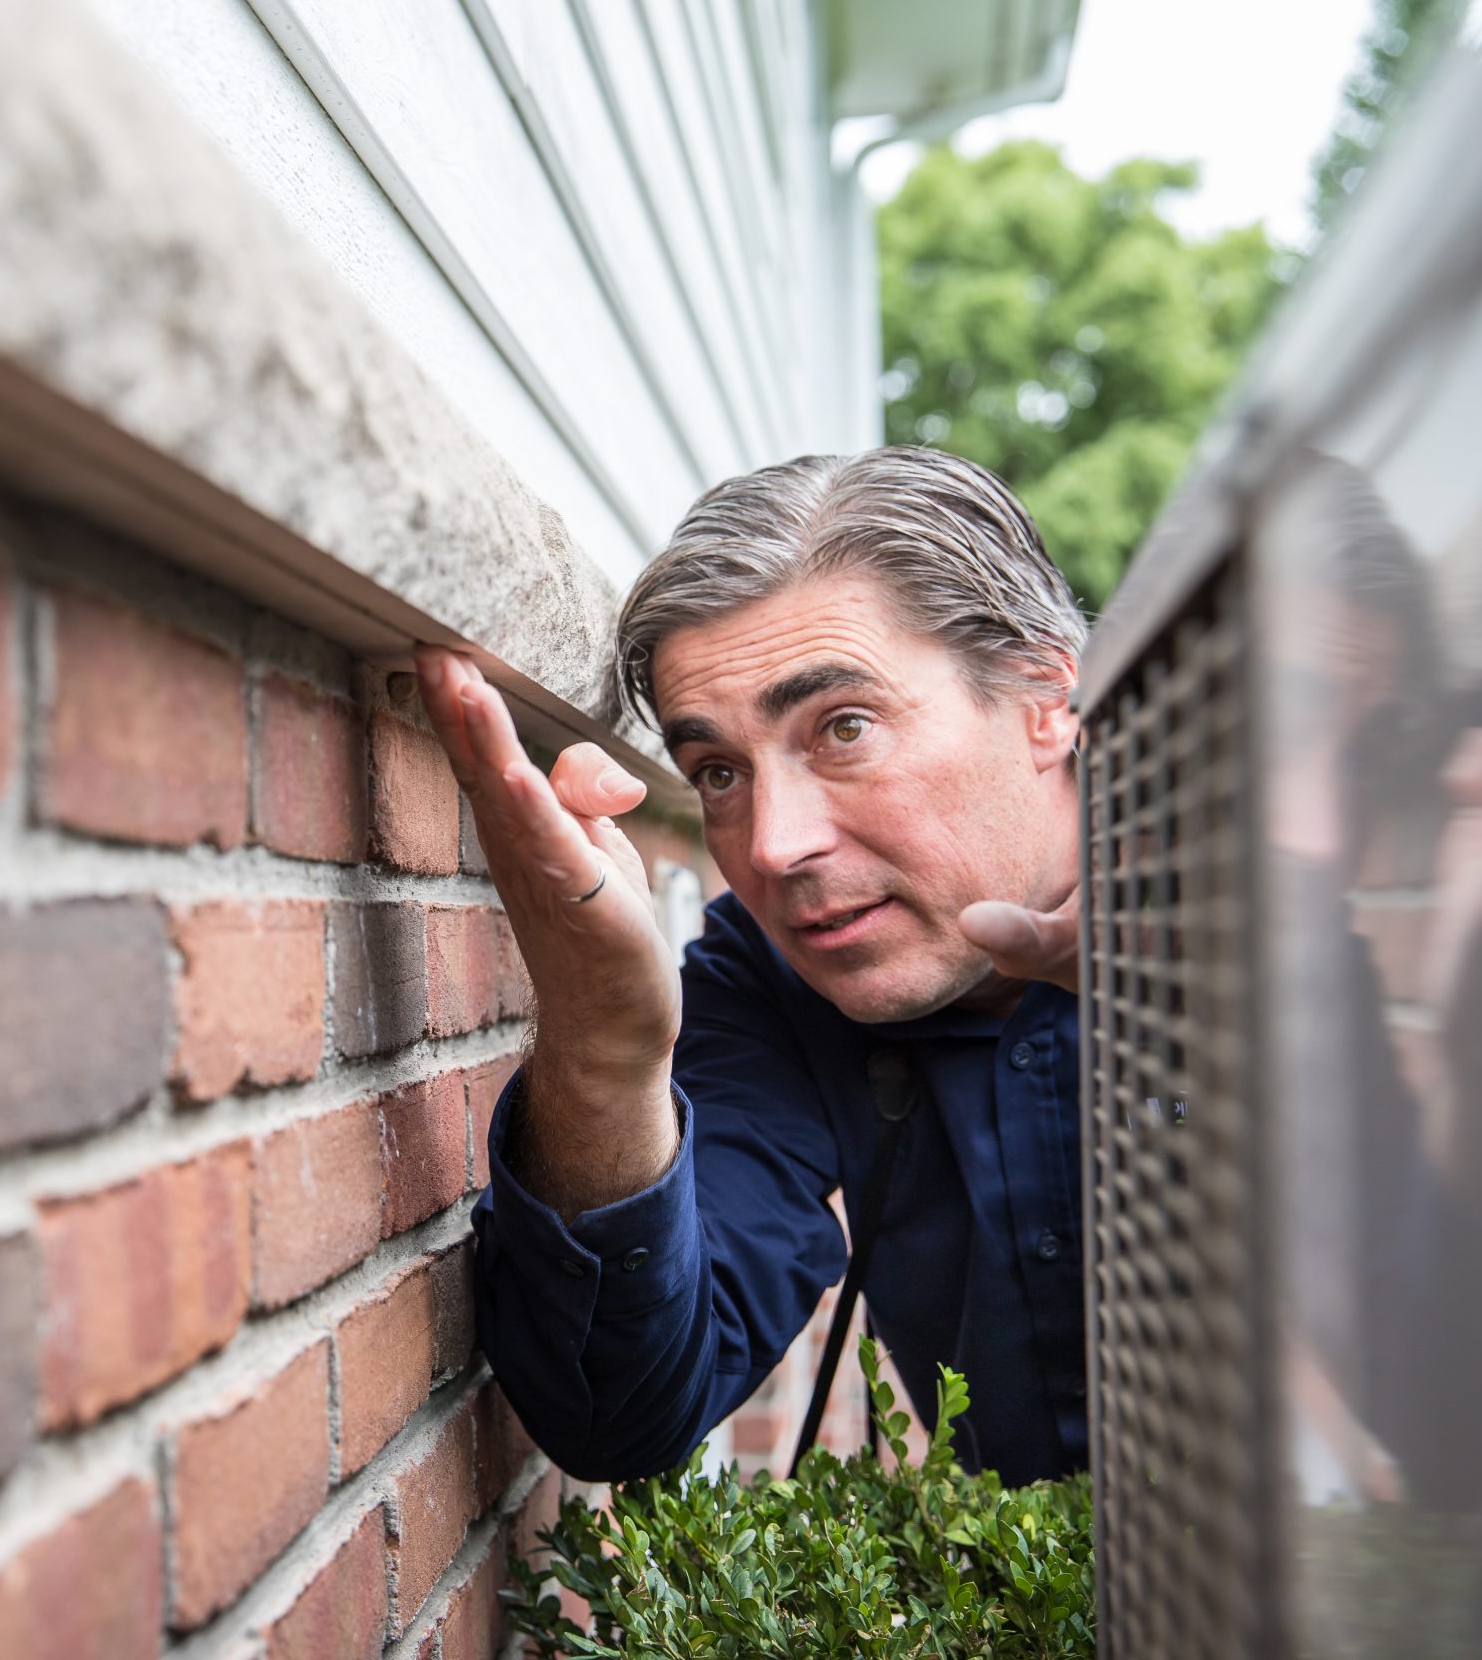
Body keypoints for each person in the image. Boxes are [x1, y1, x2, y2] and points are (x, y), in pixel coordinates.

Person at [414, 446, 1091, 1485]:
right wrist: (603, 1048)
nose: (773, 847)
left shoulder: (1281, 884)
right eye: (720, 772)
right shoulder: (771, 979)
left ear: (1044, 697)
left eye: (844, 728)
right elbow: (621, 1414)